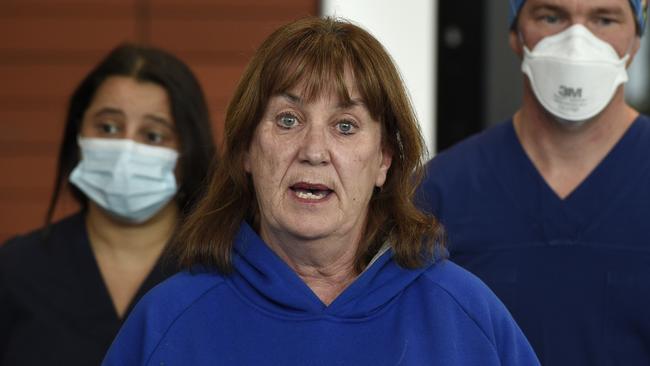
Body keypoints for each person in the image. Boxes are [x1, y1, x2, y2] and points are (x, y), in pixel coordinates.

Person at [102, 17, 539, 366]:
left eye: (345, 126)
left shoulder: (465, 316)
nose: (314, 151)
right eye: (288, 120)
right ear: (246, 152)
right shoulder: (167, 322)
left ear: (384, 160)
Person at [417, 0, 650, 364]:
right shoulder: (437, 193)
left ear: (637, 35)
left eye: (604, 19)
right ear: (515, 33)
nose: (577, 42)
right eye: (551, 17)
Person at [0, 44, 216, 365]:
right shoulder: (15, 270)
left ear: (189, 152)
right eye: (108, 127)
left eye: (153, 136)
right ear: (79, 134)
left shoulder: (221, 271)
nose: (126, 149)